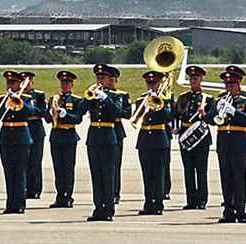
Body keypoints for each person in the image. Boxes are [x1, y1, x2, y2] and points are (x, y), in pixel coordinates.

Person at [84, 62, 131, 221]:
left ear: (108, 79)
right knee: (96, 175)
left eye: (103, 78)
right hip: (93, 138)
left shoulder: (115, 96)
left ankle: (109, 209)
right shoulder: (92, 95)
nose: (100, 80)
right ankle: (98, 208)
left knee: (108, 175)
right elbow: (80, 111)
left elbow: (118, 112)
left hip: (109, 138)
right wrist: (88, 96)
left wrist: (105, 98)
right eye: (98, 77)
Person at [213, 65, 246, 224]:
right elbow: (211, 119)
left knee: (239, 178)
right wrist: (212, 112)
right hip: (224, 142)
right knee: (226, 178)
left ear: (239, 84)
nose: (229, 87)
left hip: (239, 142)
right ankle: (228, 212)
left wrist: (234, 111)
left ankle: (241, 211)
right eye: (227, 84)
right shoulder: (220, 100)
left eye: (232, 84)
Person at [0, 70, 43, 214]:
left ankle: (20, 203)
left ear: (19, 84)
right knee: (8, 172)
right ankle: (10, 203)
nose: (10, 85)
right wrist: (6, 101)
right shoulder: (2, 98)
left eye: (13, 83)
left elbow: (31, 112)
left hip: (21, 138)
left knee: (20, 172)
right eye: (8, 82)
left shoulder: (26, 98)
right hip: (6, 138)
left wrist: (19, 101)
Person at [134, 68, 174, 215]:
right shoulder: (141, 99)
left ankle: (158, 203)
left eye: (154, 83)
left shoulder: (165, 99)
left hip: (159, 139)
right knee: (147, 174)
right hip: (144, 139)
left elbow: (169, 117)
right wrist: (145, 105)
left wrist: (159, 104)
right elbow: (136, 117)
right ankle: (148, 203)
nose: (151, 86)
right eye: (149, 83)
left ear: (159, 84)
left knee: (158, 174)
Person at [174, 65, 213, 210]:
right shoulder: (183, 97)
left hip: (201, 137)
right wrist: (175, 127)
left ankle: (202, 199)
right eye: (191, 79)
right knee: (188, 169)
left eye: (196, 78)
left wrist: (204, 114)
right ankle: (191, 200)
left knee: (201, 169)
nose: (193, 81)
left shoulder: (208, 99)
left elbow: (212, 119)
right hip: (185, 134)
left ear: (201, 79)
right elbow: (175, 115)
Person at [48, 70, 87, 208]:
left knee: (68, 168)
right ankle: (60, 196)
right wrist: (51, 113)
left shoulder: (76, 100)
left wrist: (66, 115)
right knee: (58, 168)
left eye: (67, 83)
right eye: (63, 83)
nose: (65, 85)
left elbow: (78, 119)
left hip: (69, 135)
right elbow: (47, 119)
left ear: (72, 84)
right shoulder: (54, 98)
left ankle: (68, 196)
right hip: (56, 135)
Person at [23, 70, 48, 200]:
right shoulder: (19, 95)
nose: (26, 84)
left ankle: (35, 189)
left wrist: (31, 111)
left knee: (35, 160)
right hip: (24, 128)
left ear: (32, 82)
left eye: (28, 82)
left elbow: (43, 112)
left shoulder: (38, 95)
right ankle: (25, 188)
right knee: (24, 161)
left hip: (36, 129)